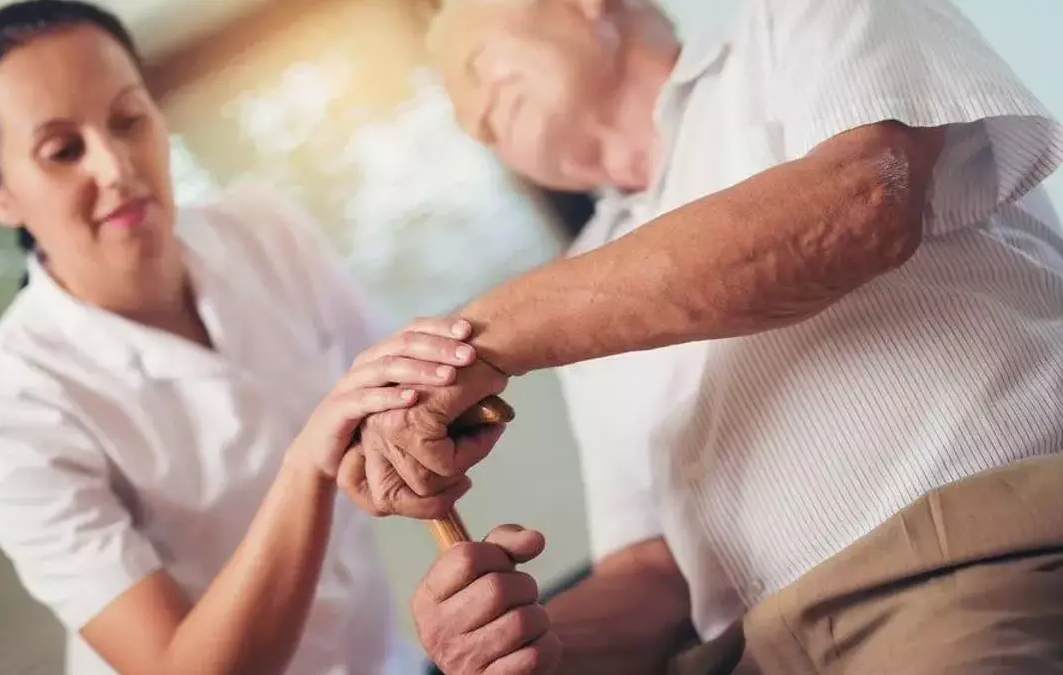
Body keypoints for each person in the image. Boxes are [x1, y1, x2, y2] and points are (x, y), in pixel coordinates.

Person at [333, 0, 1063, 673]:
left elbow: (863, 200)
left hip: (965, 566)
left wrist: (479, 338)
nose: (474, 117)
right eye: (465, 119)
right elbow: (655, 572)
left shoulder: (798, 20)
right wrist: (524, 636)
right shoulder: (568, 287)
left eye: (478, 67)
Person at [0, 2, 502, 674]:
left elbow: (392, 415)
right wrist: (309, 463)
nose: (115, 167)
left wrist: (429, 430)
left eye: (128, 119)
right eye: (63, 150)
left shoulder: (263, 228)